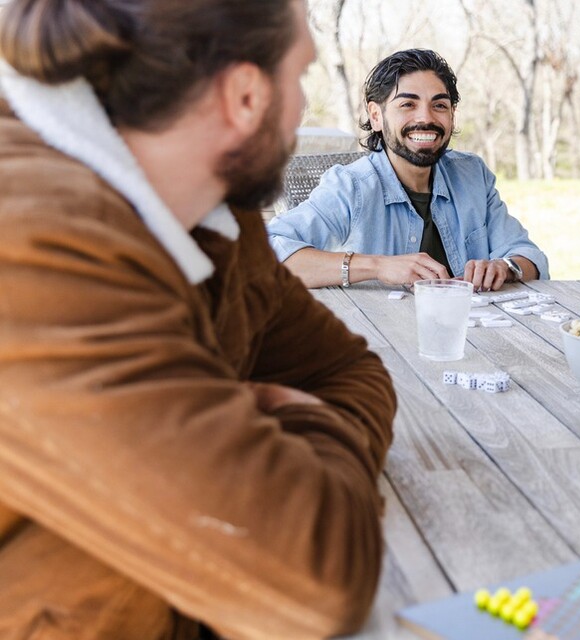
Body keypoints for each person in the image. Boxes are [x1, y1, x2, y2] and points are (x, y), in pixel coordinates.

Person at [0, 0, 396, 637]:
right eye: (299, 77)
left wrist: (255, 443)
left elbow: (349, 369)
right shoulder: (32, 244)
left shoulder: (216, 210)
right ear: (245, 95)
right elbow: (315, 577)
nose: (301, 109)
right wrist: (292, 422)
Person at [267, 48, 550, 291]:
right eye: (407, 104)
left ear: (452, 115)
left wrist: (506, 267)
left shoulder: (472, 175)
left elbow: (530, 256)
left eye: (439, 105)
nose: (426, 118)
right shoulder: (351, 186)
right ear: (376, 116)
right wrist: (377, 266)